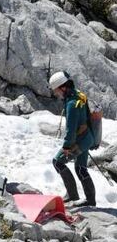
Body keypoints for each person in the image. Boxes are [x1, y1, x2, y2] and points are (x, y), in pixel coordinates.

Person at [49, 71, 96, 207]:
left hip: (80, 141)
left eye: (56, 90)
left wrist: (66, 147)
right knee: (81, 168)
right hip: (87, 138)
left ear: (62, 87)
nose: (56, 93)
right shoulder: (79, 95)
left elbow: (70, 130)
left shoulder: (71, 104)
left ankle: (72, 195)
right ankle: (90, 201)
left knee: (58, 162)